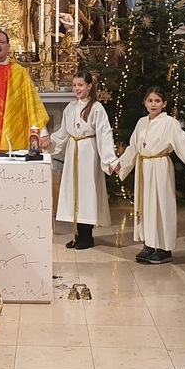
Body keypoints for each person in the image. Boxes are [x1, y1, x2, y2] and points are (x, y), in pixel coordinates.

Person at [118, 86, 185, 264]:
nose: (153, 104)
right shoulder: (141, 122)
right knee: (146, 205)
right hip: (144, 168)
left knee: (161, 205)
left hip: (160, 167)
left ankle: (164, 249)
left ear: (164, 104)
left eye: (157, 101)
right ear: (145, 103)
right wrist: (121, 164)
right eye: (150, 101)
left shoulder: (169, 123)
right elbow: (133, 147)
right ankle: (149, 244)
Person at [49, 72, 118, 249]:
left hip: (89, 153)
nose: (76, 89)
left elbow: (104, 133)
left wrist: (110, 159)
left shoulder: (96, 108)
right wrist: (48, 143)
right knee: (74, 192)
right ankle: (77, 234)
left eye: (80, 85)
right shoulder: (71, 107)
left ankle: (87, 236)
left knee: (86, 192)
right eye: (74, 85)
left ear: (89, 86)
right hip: (73, 151)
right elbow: (62, 134)